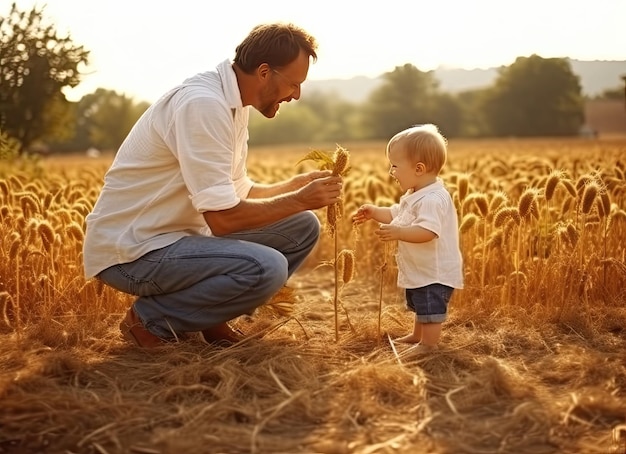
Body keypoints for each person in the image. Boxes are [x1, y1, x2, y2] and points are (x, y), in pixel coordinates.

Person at [82, 23, 343, 348]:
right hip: (134, 253)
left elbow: (237, 194)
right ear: (264, 72)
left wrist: (294, 187)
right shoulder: (203, 105)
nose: (297, 95)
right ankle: (151, 320)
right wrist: (299, 199)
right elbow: (223, 219)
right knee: (267, 267)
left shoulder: (233, 104)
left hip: (177, 241)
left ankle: (210, 315)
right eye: (293, 83)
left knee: (301, 227)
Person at [352, 124, 463, 353]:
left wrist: (399, 233)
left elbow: (428, 231)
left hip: (435, 271)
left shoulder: (432, 199)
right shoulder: (415, 195)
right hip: (421, 270)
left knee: (431, 309)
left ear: (419, 168)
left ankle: (429, 345)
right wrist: (374, 212)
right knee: (420, 305)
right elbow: (397, 214)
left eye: (394, 166)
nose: (391, 172)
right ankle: (416, 335)